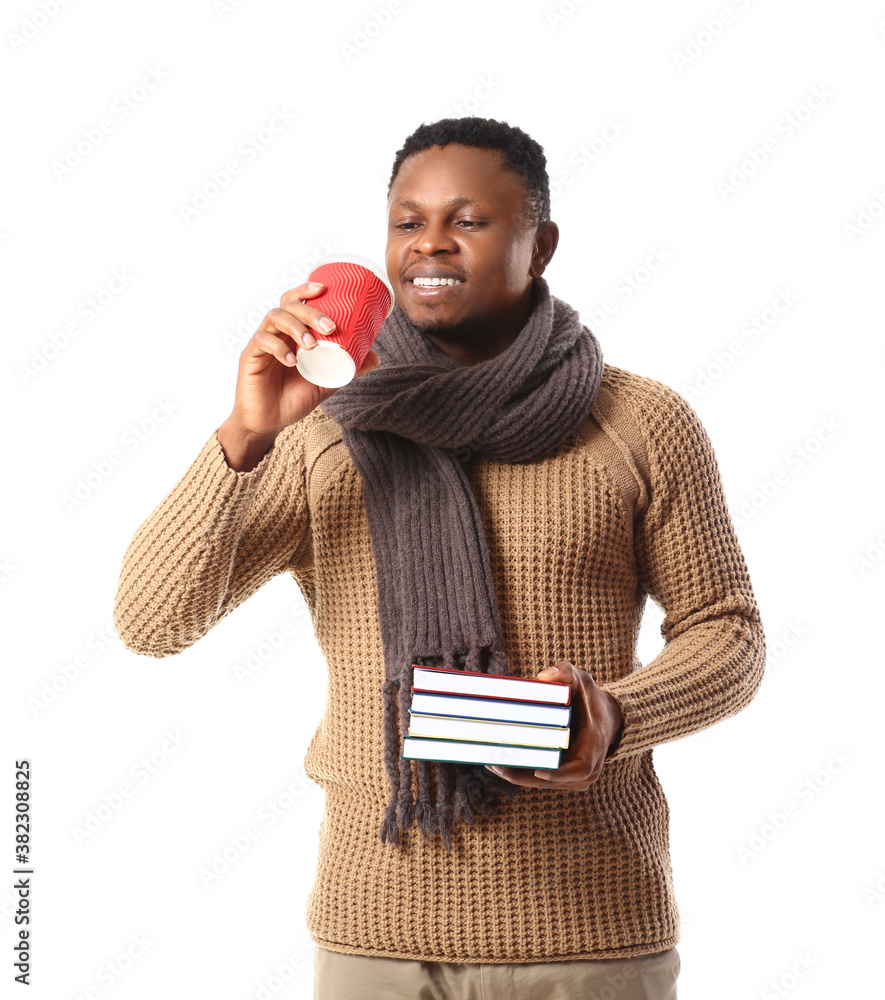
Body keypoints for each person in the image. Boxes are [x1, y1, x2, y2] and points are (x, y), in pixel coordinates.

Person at [113, 117, 766, 999]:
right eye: (407, 221)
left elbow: (727, 635)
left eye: (468, 221)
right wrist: (246, 433)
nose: (430, 244)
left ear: (540, 245)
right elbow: (151, 623)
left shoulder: (639, 422)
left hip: (589, 935)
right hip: (373, 938)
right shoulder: (322, 431)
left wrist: (615, 717)